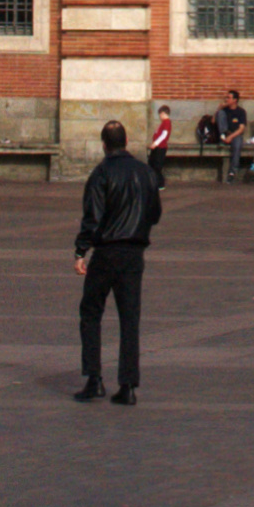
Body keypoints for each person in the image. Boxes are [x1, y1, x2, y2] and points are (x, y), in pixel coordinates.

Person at [70, 118, 162, 403]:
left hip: (107, 251)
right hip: (134, 253)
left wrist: (81, 251)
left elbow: (93, 217)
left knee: (91, 312)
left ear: (104, 145)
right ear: (126, 142)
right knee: (130, 318)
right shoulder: (146, 173)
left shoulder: (101, 173)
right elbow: (155, 214)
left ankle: (94, 378)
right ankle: (128, 385)